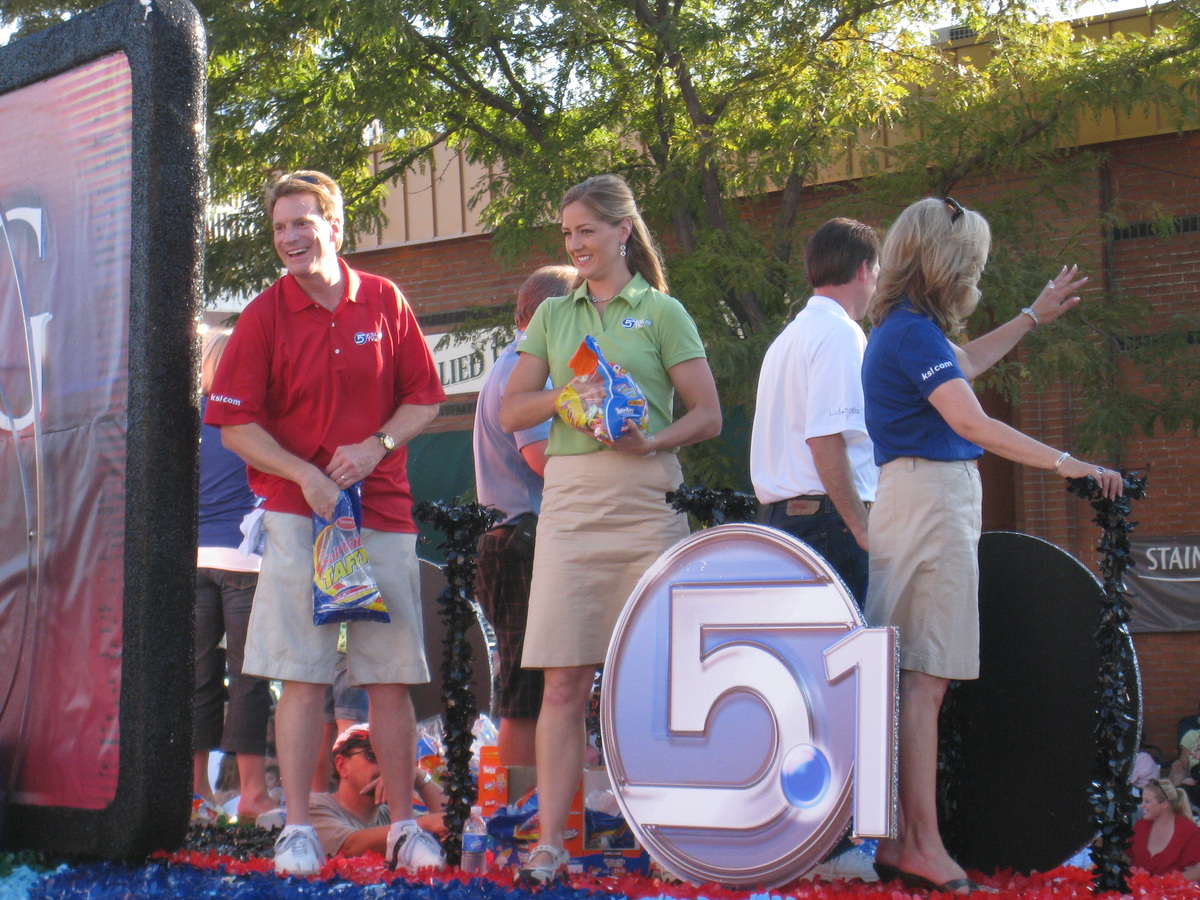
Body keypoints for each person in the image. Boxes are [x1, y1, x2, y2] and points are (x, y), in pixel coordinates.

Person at [862, 196, 1124, 895]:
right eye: (973, 259)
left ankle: (900, 839)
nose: (977, 271)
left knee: (913, 679)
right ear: (946, 261)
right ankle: (920, 845)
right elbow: (970, 421)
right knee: (923, 681)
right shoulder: (912, 334)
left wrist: (1034, 315)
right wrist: (1066, 462)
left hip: (914, 501)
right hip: (929, 503)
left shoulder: (907, 330)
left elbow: (965, 363)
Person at [205, 170, 447, 876]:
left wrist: (379, 446)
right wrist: (303, 474)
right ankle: (300, 830)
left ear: (335, 227)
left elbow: (424, 400)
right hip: (295, 516)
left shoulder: (385, 299)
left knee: (390, 676)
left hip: (383, 513)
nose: (289, 238)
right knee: (300, 675)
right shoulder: (263, 315)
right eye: (280, 227)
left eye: (302, 223)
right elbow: (233, 426)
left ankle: (405, 826)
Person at [499, 173, 722, 883]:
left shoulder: (663, 312)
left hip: (645, 504)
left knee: (652, 682)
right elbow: (511, 410)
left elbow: (707, 415)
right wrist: (565, 397)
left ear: (623, 231)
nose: (575, 244)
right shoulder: (552, 318)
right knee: (563, 683)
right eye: (567, 234)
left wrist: (653, 441)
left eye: (586, 231)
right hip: (568, 509)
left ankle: (664, 840)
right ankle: (550, 847)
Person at [473, 265, 576, 768]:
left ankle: (530, 810)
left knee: (534, 682)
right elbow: (541, 460)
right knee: (525, 688)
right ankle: (515, 814)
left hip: (513, 537)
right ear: (545, 314)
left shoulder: (513, 364)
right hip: (522, 542)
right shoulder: (524, 368)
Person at [750, 218, 880, 604]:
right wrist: (862, 530)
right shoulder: (840, 333)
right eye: (876, 271)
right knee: (844, 655)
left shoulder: (787, 339)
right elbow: (824, 439)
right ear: (862, 269)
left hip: (782, 521)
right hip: (827, 523)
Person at [193, 331, 274, 823]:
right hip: (246, 561)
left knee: (197, 679)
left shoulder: (188, 418)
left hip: (192, 559)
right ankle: (252, 793)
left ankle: (195, 792)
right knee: (248, 677)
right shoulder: (256, 416)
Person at [310, 724, 447, 859]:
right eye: (373, 755)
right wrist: (423, 824)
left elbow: (456, 823)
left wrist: (420, 778)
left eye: (394, 758)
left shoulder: (392, 814)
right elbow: (349, 847)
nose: (386, 766)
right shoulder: (315, 805)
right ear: (342, 765)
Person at [1129, 778, 1200, 878]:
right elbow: (1126, 859)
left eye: (1147, 802)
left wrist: (1163, 883)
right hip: (1136, 892)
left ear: (1164, 804)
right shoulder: (1140, 826)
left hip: (1173, 892)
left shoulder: (1188, 831)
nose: (1142, 806)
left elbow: (1197, 872)